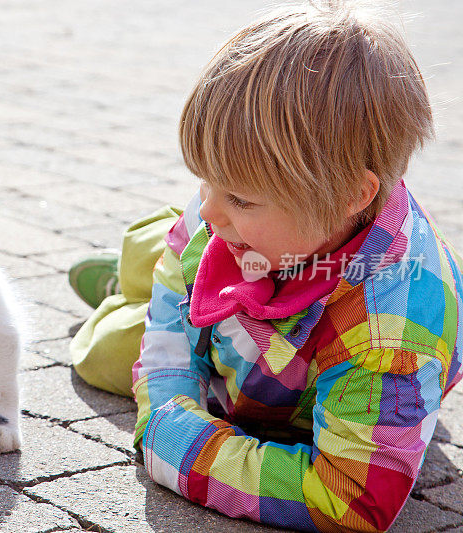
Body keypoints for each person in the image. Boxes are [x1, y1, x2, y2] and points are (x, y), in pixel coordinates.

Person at [67, 2, 463, 531]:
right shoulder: (243, 205)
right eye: (205, 180)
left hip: (278, 347)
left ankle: (125, 289)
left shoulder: (390, 334)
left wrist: (174, 436)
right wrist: (209, 235)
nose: (208, 206)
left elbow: (349, 502)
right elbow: (198, 236)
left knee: (108, 352)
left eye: (240, 198)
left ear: (351, 195)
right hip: (254, 267)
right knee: (169, 247)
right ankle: (135, 266)